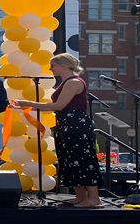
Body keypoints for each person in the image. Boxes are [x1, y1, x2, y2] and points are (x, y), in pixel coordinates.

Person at [12, 53, 102, 208]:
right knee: (68, 159)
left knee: (81, 159)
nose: (51, 69)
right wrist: (28, 106)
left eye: (53, 65)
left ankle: (94, 198)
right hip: (66, 124)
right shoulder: (66, 82)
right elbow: (58, 107)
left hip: (76, 125)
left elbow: (59, 106)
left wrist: (28, 103)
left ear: (64, 65)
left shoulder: (73, 82)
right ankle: (80, 196)